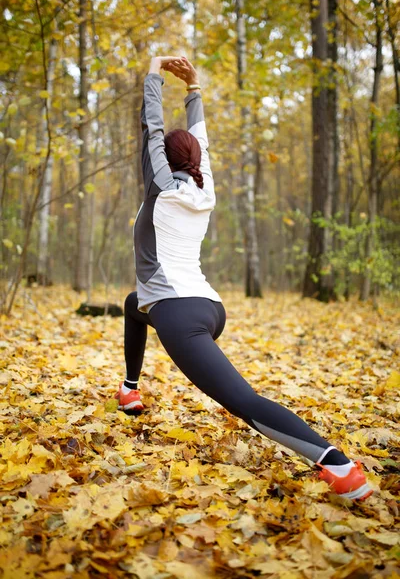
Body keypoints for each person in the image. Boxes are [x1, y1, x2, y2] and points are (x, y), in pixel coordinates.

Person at [115, 55, 373, 501]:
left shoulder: (161, 188)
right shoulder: (204, 187)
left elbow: (151, 130)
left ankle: (338, 465)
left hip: (179, 314)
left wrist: (154, 73)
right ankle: (130, 389)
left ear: (164, 162)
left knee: (244, 402)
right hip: (209, 307)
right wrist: (194, 90)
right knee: (132, 304)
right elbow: (199, 143)